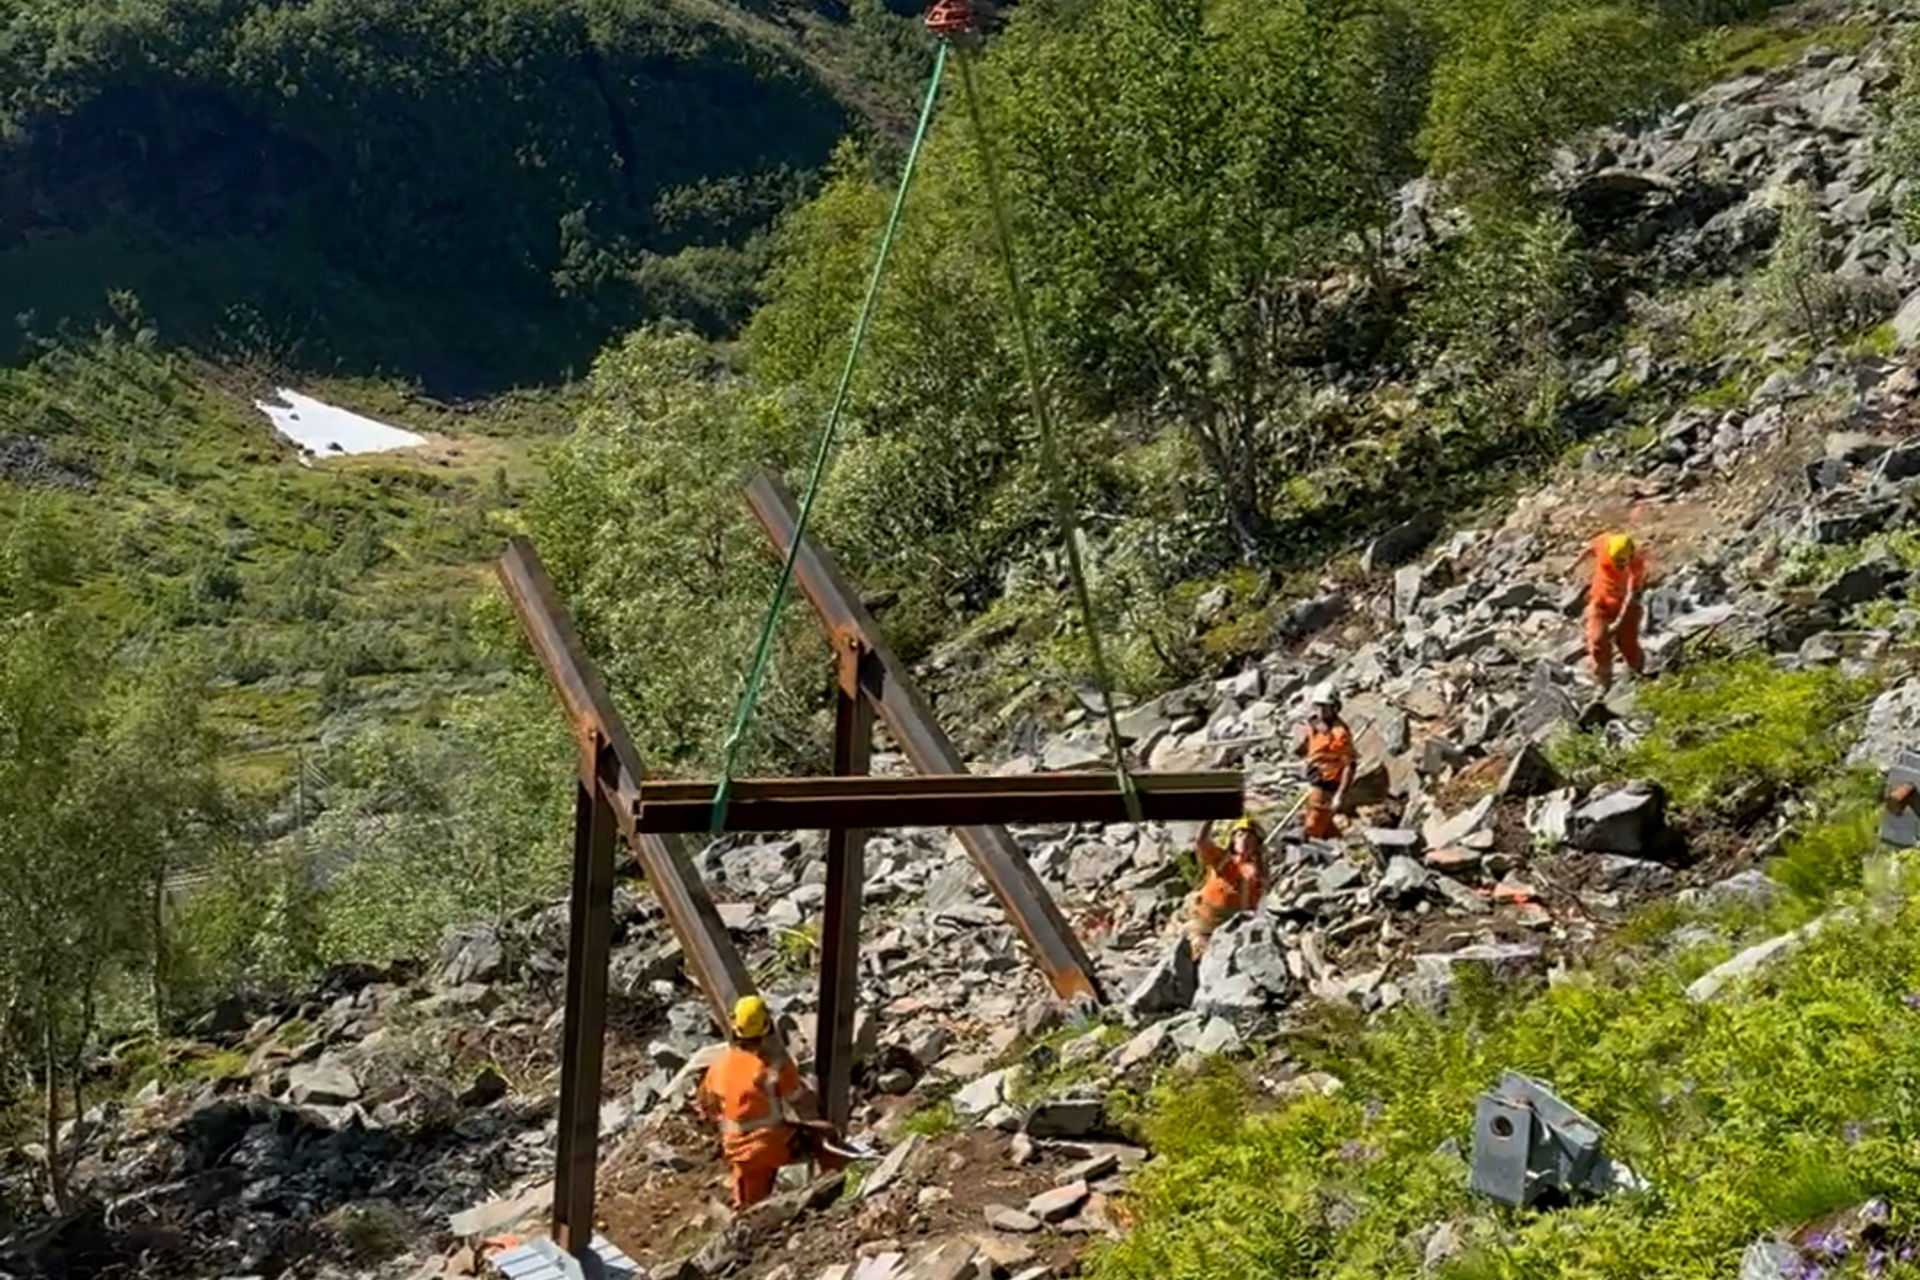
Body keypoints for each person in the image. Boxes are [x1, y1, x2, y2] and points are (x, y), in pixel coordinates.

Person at [695, 995, 839, 1209]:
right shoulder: (776, 1065)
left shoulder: (718, 1067)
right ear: (767, 1026)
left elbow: (706, 1107)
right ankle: (832, 1185)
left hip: (737, 1149)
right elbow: (800, 1102)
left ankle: (745, 1210)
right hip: (773, 1146)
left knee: (748, 1204)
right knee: (825, 1139)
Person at [1570, 532, 1648, 692]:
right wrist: (1573, 565)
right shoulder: (1604, 542)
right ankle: (1602, 682)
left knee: (1627, 644)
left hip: (1624, 606)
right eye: (1615, 561)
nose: (1618, 565)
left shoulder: (1637, 564)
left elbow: (1631, 595)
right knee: (1597, 640)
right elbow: (1590, 549)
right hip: (1600, 602)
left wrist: (1618, 621)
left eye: (1622, 562)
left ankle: (1639, 674)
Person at [1184, 816, 1266, 956]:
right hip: (1207, 924)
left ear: (1256, 843)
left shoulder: (1259, 869)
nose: (1245, 840)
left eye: (1250, 837)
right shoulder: (1222, 859)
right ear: (1232, 840)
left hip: (1236, 927)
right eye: (1240, 835)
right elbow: (1201, 842)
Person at [1295, 683, 1355, 839]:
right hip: (1314, 780)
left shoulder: (1339, 733)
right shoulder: (1315, 725)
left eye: (1325, 708)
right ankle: (1339, 846)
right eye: (1318, 708)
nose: (1321, 713)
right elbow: (1302, 751)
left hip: (1327, 785)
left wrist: (1340, 795)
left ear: (1335, 708)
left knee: (1312, 826)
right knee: (1325, 827)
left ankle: (1308, 854)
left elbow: (1349, 765)